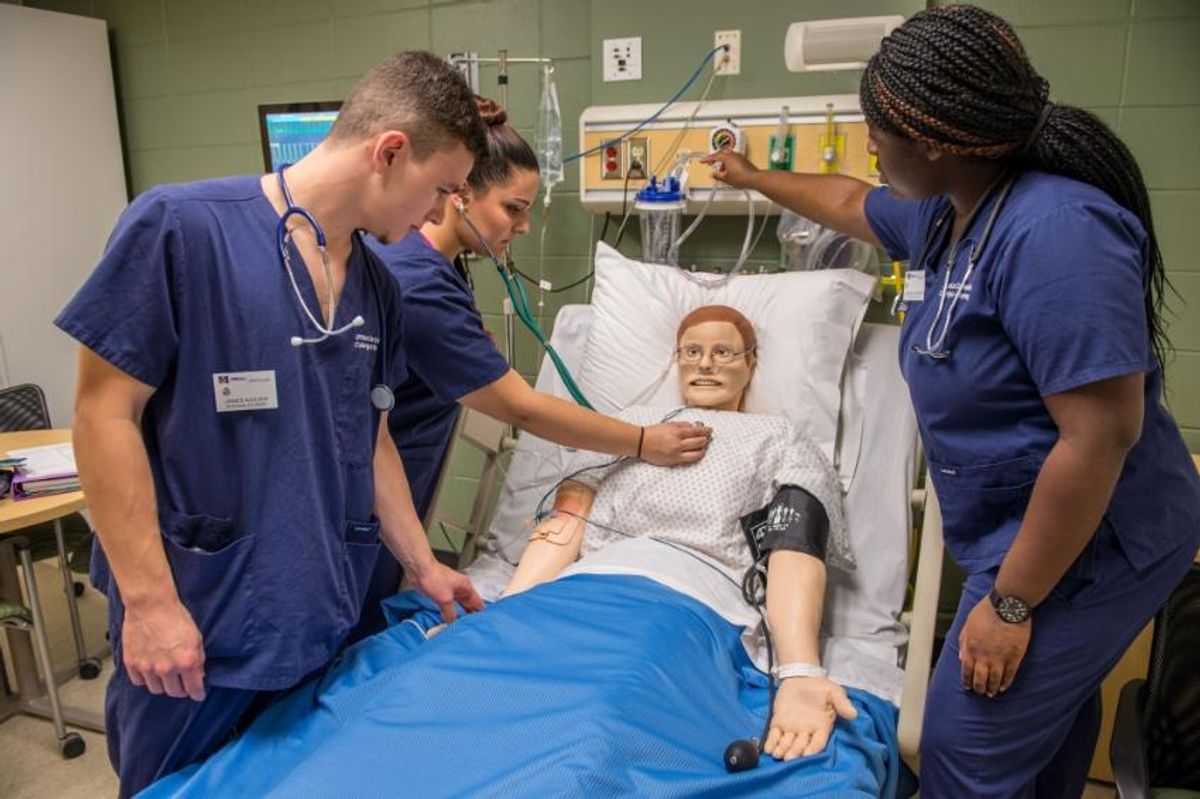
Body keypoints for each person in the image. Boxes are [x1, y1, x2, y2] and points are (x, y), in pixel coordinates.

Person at [704, 5, 1200, 797]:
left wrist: (1010, 602)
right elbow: (849, 201)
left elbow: (1101, 437)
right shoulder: (955, 208)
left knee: (964, 751)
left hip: (1092, 544)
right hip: (1025, 539)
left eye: (879, 130)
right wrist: (755, 177)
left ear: (933, 139)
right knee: (1040, 731)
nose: (869, 145)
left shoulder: (1057, 233)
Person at [140, 307, 905, 799]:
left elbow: (795, 543)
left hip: (674, 612)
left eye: (725, 353)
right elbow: (566, 520)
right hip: (564, 599)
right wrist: (506, 607)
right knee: (426, 692)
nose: (706, 364)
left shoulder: (776, 437)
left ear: (751, 364)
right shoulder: (625, 429)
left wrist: (799, 670)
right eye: (691, 349)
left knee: (593, 733)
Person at [56, 51, 488, 797]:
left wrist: (421, 563)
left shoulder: (377, 286)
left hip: (316, 614)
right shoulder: (181, 230)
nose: (438, 215)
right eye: (441, 189)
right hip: (199, 626)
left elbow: (372, 434)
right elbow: (102, 414)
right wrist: (152, 604)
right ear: (389, 152)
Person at [354, 97, 711, 638]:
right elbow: (520, 406)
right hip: (366, 503)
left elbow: (416, 348)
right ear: (461, 193)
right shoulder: (420, 279)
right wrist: (643, 441)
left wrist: (461, 349)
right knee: (347, 642)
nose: (522, 227)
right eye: (513, 208)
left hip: (384, 489)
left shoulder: (426, 263)